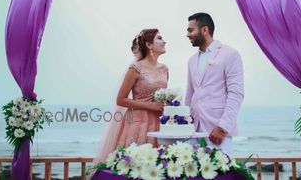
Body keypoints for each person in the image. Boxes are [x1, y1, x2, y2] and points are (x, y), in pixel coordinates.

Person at [91, 28, 168, 164]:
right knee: (135, 164)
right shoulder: (135, 68)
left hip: (158, 122)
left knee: (158, 165)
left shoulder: (164, 69)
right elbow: (120, 99)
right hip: (139, 122)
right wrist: (150, 105)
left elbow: (163, 96)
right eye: (160, 38)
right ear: (149, 45)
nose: (164, 41)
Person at [185, 12, 244, 155]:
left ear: (204, 30)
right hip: (193, 132)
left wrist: (223, 127)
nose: (187, 34)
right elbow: (190, 95)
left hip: (217, 132)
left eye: (190, 30)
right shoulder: (192, 60)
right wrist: (185, 125)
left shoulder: (230, 54)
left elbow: (236, 93)